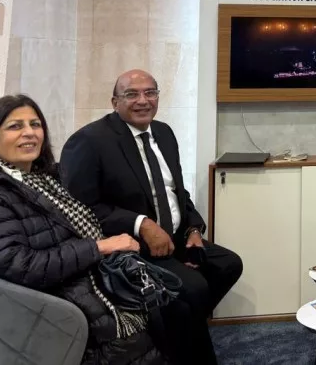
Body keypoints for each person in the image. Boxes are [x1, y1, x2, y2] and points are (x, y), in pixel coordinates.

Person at [60, 70, 242, 365]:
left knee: (228, 265)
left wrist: (194, 229)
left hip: (175, 238)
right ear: (115, 102)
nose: (143, 100)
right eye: (132, 94)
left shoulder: (164, 133)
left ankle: (174, 334)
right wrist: (141, 224)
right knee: (194, 288)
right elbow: (80, 207)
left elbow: (176, 191)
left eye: (150, 92)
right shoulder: (89, 141)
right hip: (131, 248)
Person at [0, 95, 166, 365]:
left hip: (78, 286)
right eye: (15, 126)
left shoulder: (45, 179)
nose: (30, 133)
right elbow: (16, 265)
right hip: (51, 310)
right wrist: (99, 247)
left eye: (35, 124)